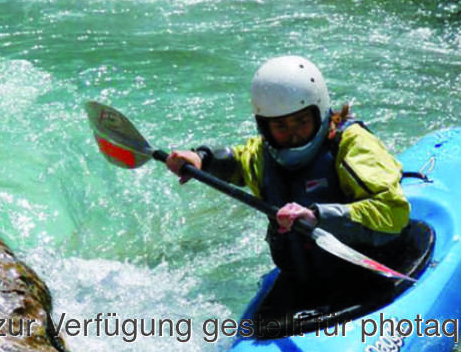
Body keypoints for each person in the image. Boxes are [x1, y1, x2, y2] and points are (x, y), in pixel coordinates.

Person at [165, 56, 412, 295]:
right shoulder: (266, 154)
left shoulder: (352, 145)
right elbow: (239, 163)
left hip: (376, 270)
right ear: (264, 126)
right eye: (280, 126)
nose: (292, 134)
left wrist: (318, 216)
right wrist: (202, 159)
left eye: (301, 121)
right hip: (307, 280)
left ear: (320, 110)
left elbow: (393, 211)